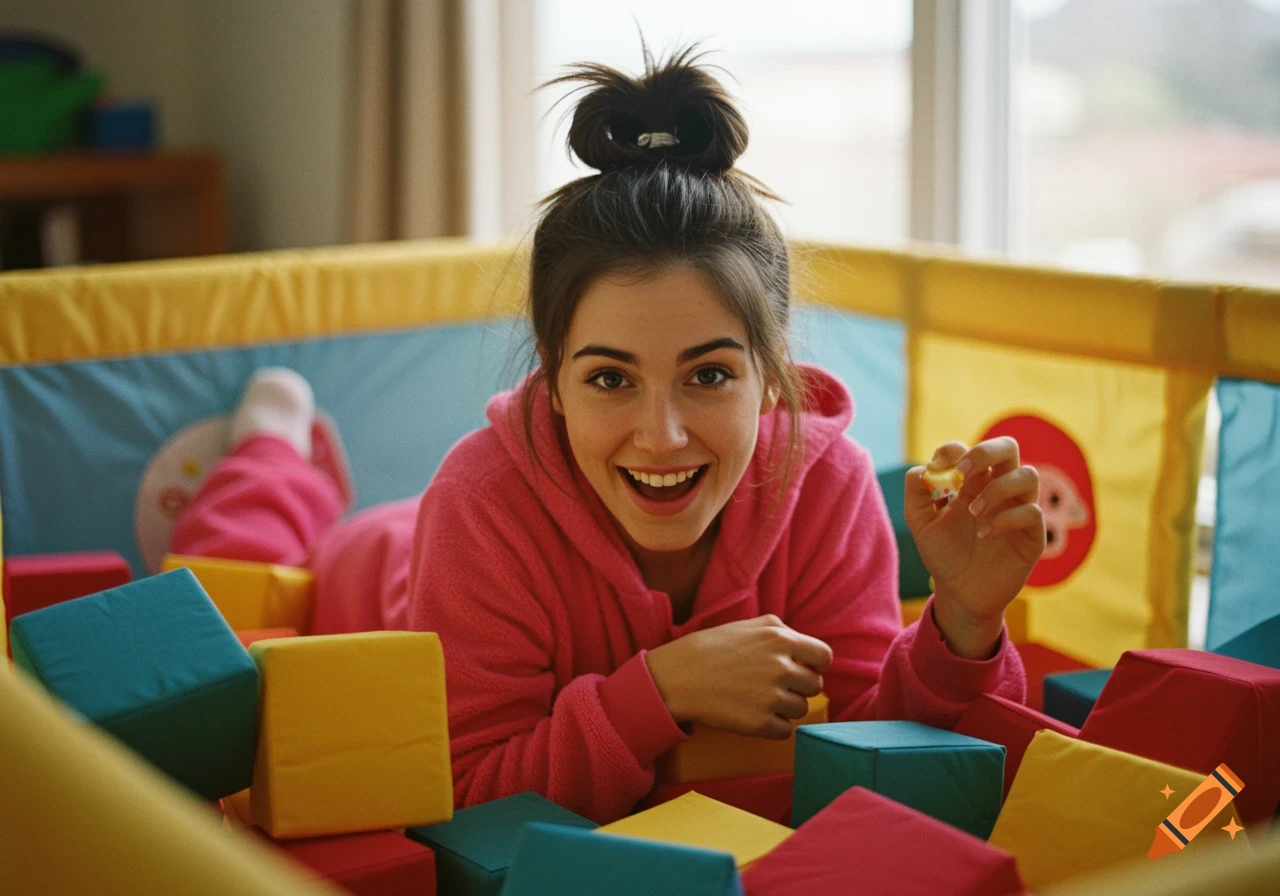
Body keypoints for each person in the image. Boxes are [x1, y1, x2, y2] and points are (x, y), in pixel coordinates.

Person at [172, 48, 1045, 825]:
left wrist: (965, 620)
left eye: (708, 375)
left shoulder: (826, 481)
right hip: (381, 571)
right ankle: (274, 454)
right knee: (235, 578)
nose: (660, 436)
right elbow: (468, 793)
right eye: (608, 379)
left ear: (770, 373)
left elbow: (879, 759)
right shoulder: (477, 502)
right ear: (552, 377)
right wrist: (660, 691)